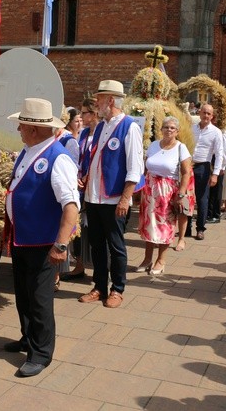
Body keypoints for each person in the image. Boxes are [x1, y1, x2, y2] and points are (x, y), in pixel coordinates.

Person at [2, 98, 79, 377]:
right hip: (24, 239)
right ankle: (28, 337)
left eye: (21, 125)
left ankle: (41, 353)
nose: (19, 129)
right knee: (23, 294)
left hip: (44, 243)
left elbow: (70, 206)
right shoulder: (28, 151)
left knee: (39, 299)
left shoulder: (57, 158)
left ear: (34, 128)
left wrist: (60, 244)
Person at [78, 80, 144, 309]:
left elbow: (135, 168)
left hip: (114, 198)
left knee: (116, 246)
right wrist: (85, 179)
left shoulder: (129, 127)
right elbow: (96, 159)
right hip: (94, 196)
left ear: (111, 100)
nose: (96, 103)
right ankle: (99, 286)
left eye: (99, 99)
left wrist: (126, 198)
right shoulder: (102, 126)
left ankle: (117, 289)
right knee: (96, 245)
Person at [137, 116, 194, 272]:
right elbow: (145, 168)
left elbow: (186, 173)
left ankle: (161, 260)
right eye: (166, 127)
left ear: (177, 131)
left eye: (172, 128)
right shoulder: (154, 145)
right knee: (148, 225)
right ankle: (147, 259)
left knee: (165, 226)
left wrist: (181, 194)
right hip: (149, 190)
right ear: (161, 129)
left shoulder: (181, 148)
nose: (168, 130)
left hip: (167, 192)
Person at [61, 98, 98, 281]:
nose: (81, 117)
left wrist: (88, 176)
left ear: (94, 114)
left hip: (96, 186)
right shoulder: (83, 134)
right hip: (81, 186)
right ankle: (80, 265)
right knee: (80, 229)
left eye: (84, 113)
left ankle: (100, 272)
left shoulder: (100, 133)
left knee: (95, 231)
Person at [190, 103, 224, 240]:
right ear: (199, 113)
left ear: (212, 116)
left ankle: (200, 228)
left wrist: (215, 174)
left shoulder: (216, 132)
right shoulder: (191, 128)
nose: (206, 116)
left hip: (203, 167)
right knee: (186, 197)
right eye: (204, 112)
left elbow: (219, 154)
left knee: (202, 198)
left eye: (209, 114)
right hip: (189, 165)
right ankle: (186, 228)